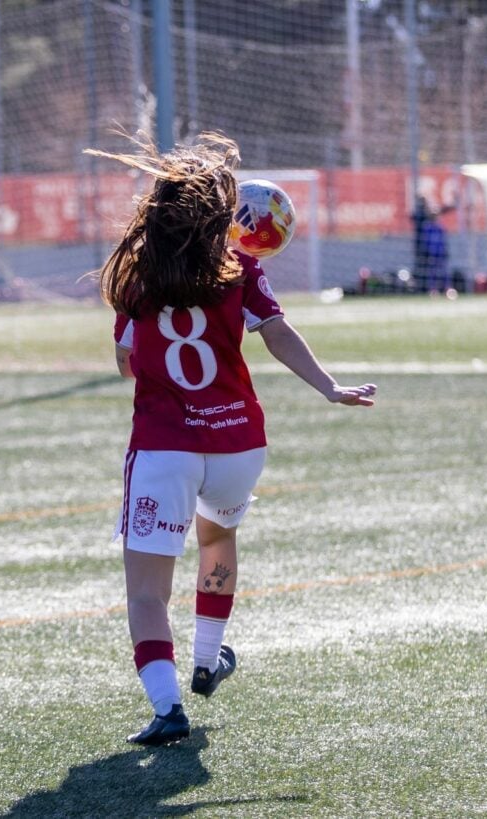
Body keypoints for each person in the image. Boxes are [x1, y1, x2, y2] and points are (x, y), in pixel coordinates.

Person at [87, 133, 376, 746]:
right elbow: (277, 331)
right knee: (217, 538)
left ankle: (168, 708)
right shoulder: (240, 266)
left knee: (146, 593)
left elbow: (126, 363)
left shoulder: (136, 275)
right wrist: (329, 388)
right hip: (238, 444)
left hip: (165, 446)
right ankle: (207, 658)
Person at [410, 195, 456, 295]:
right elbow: (425, 241)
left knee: (444, 271)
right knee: (431, 271)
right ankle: (433, 289)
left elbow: (443, 241)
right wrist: (426, 252)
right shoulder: (425, 225)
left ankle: (447, 288)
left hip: (440, 253)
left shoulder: (440, 227)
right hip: (430, 253)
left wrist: (445, 251)